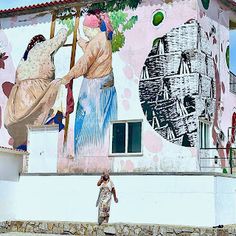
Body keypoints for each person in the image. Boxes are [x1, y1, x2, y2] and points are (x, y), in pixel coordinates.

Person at [61, 10, 117, 158]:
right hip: (107, 83)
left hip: (94, 87)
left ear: (92, 29)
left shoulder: (96, 42)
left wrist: (68, 76)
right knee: (103, 121)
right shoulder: (104, 37)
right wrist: (80, 40)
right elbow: (92, 52)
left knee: (87, 122)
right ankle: (99, 153)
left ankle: (84, 155)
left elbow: (84, 62)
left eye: (86, 31)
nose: (85, 34)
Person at [4, 28, 67, 148]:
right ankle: (55, 119)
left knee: (24, 126)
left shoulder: (24, 57)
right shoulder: (44, 46)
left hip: (19, 98)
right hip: (37, 90)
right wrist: (63, 29)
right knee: (61, 85)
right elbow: (62, 36)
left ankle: (22, 147)